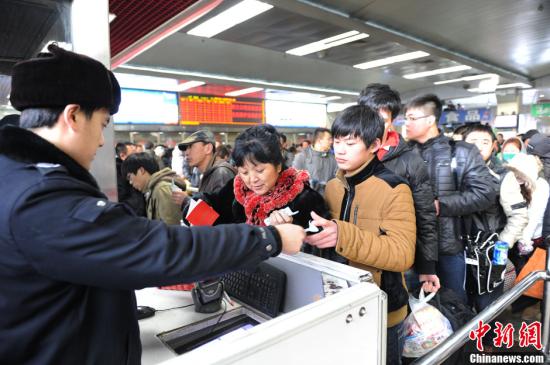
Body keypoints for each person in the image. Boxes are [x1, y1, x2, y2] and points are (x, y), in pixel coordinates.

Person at [0, 44, 305, 364]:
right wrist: (271, 239)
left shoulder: (17, 177)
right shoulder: (39, 197)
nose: (103, 140)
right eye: (103, 124)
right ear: (73, 115)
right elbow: (157, 248)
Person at [305, 105, 416, 365]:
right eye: (337, 142)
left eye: (351, 143)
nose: (340, 150)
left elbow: (402, 254)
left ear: (374, 144)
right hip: (340, 302)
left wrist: (342, 236)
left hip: (383, 308)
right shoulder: (333, 186)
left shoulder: (394, 188)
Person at [405, 94, 496, 305]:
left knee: (453, 304)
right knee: (414, 307)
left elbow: (485, 193)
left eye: (411, 118)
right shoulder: (403, 153)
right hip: (410, 246)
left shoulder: (462, 152)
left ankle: (460, 339)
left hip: (449, 245)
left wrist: (441, 205)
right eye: (405, 119)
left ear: (430, 120)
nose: (406, 124)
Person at [358, 83, 439, 294]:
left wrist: (427, 265)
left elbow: (425, 214)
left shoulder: (410, 161)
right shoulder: (348, 155)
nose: (375, 127)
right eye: (369, 118)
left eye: (383, 121)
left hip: (397, 258)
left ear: (392, 121)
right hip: (355, 253)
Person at [463, 124, 528, 311]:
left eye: (485, 142)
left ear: (494, 146)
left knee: (488, 303)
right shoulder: (455, 173)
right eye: (473, 141)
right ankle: (466, 339)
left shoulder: (502, 176)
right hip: (459, 248)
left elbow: (519, 215)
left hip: (489, 250)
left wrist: (502, 244)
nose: (479, 146)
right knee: (461, 300)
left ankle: (487, 338)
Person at [172, 130, 236, 207]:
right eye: (186, 148)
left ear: (208, 148)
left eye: (190, 147)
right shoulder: (210, 173)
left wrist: (186, 201)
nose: (186, 153)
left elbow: (219, 217)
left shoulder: (221, 173)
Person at [122, 152, 184, 225]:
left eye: (130, 177)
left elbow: (171, 226)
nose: (130, 182)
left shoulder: (161, 189)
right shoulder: (154, 189)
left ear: (141, 170)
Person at [292, 127, 338, 195]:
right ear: (319, 141)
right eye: (329, 139)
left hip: (329, 199)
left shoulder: (334, 158)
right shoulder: (302, 157)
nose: (331, 142)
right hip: (308, 200)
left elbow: (337, 179)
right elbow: (294, 180)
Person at [115, 141, 146, 216]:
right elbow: (122, 195)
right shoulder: (118, 173)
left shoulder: (135, 168)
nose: (137, 156)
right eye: (134, 153)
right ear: (122, 156)